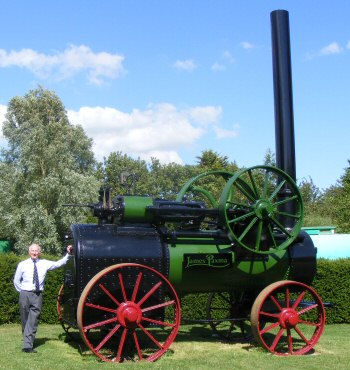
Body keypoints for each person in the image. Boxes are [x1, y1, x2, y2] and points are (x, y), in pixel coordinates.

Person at [13, 243, 73, 353]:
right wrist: (22, 291)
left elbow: (59, 264)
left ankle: (27, 346)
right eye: (32, 251)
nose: (34, 253)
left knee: (34, 320)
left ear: (39, 252)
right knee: (25, 319)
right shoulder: (22, 264)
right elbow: (16, 280)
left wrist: (68, 254)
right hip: (25, 294)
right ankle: (27, 339)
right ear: (29, 252)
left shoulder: (44, 263)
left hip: (37, 295)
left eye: (36, 251)